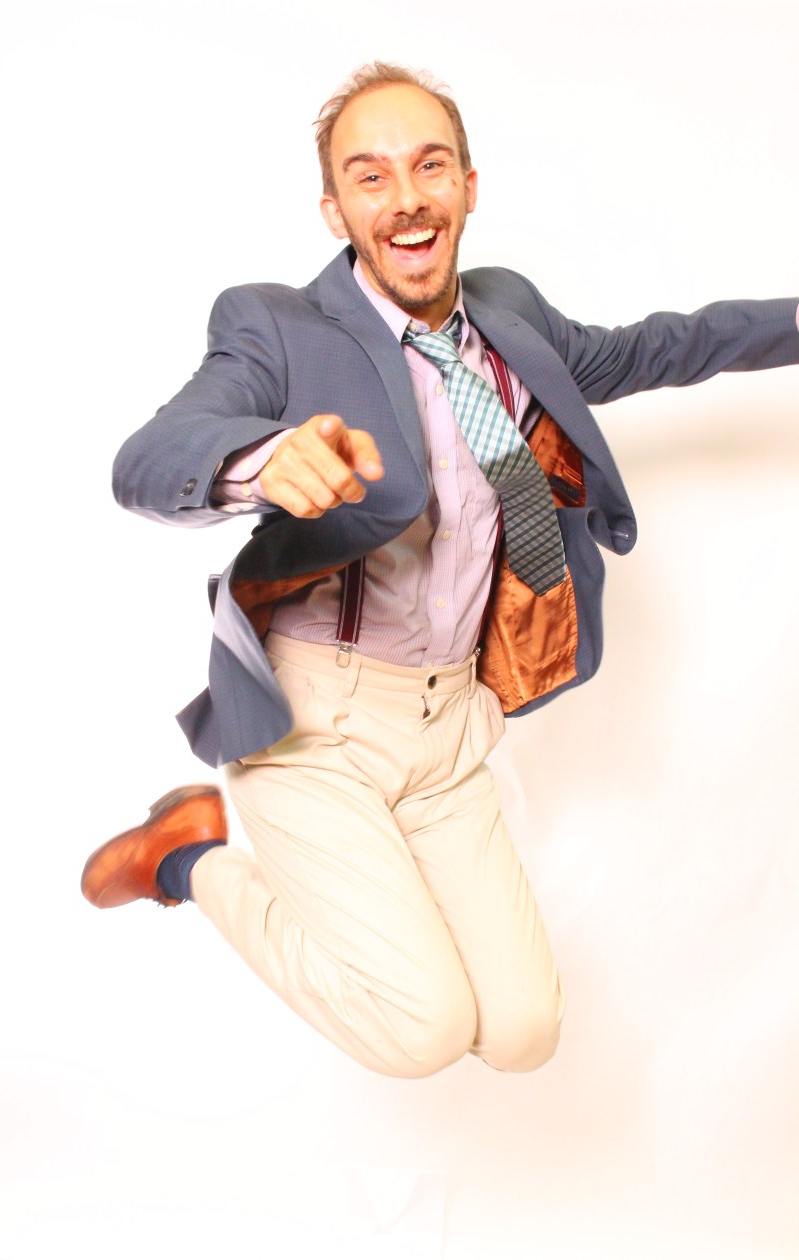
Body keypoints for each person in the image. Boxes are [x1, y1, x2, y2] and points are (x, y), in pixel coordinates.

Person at [81, 62, 799, 1078]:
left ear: (467, 185)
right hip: (312, 725)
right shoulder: (275, 326)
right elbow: (149, 460)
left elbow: (664, 346)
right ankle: (184, 858)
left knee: (522, 1032)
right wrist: (258, 459)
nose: (406, 198)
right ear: (336, 210)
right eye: (370, 177)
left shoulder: (510, 314)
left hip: (448, 724)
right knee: (423, 1028)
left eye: (429, 166)